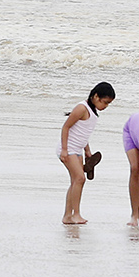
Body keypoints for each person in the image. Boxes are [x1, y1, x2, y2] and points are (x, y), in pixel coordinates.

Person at [57, 82, 114, 224]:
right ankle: (76, 214)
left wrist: (87, 150)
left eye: (109, 104)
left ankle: (67, 216)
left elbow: (82, 132)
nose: (106, 106)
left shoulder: (93, 112)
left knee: (76, 181)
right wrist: (64, 150)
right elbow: (66, 127)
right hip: (68, 149)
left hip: (77, 149)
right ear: (96, 96)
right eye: (105, 102)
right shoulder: (82, 108)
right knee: (80, 179)